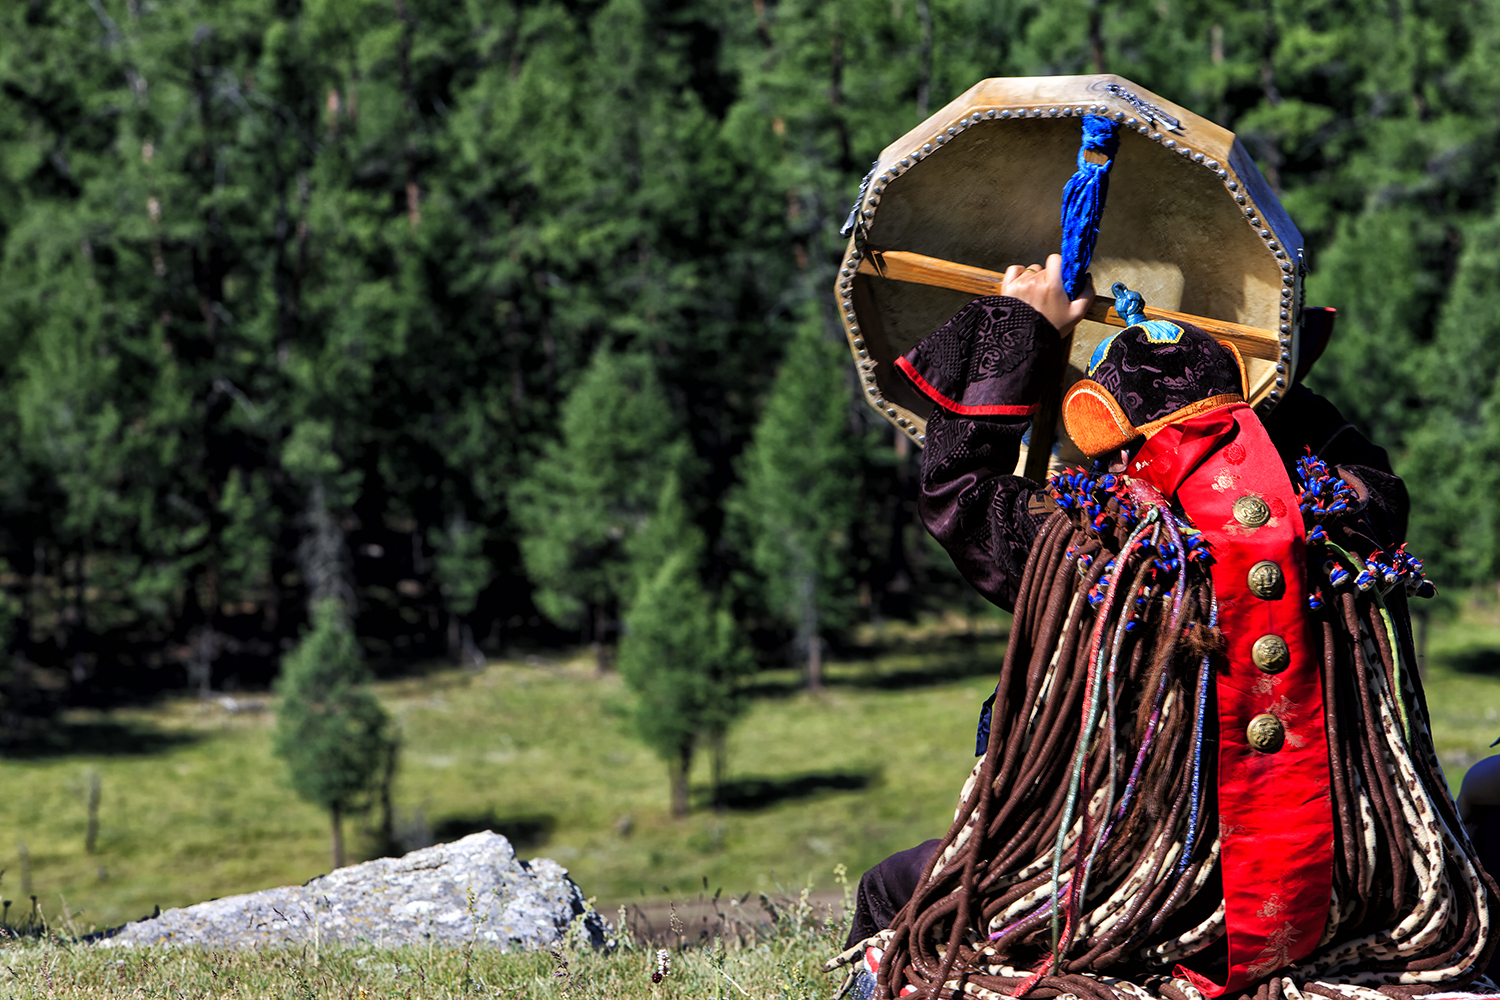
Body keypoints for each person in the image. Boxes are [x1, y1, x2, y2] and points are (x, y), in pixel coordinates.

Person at [835, 256, 1495, 1000]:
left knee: (899, 893)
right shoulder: (1340, 525)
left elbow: (960, 487)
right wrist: (1268, 372)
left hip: (1130, 896)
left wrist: (1021, 326)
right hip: (1335, 886)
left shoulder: (1096, 549)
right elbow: (1371, 473)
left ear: (1102, 426)